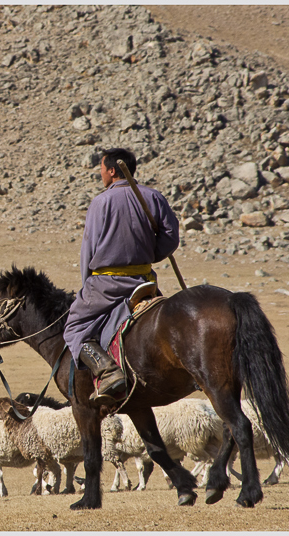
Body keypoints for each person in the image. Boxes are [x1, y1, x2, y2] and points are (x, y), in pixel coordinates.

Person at [63, 148, 180, 404]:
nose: (101, 174)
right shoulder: (153, 197)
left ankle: (107, 371)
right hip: (144, 281)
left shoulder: (101, 202)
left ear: (112, 170)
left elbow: (89, 248)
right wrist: (148, 254)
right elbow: (171, 238)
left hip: (106, 283)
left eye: (102, 169)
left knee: (74, 327)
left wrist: (86, 286)